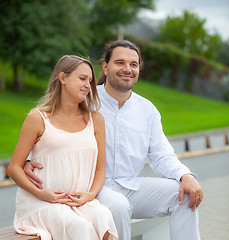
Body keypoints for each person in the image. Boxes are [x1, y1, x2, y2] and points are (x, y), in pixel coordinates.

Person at [24, 40, 203, 240]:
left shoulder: (147, 110)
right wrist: (28, 160)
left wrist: (184, 175)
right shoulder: (85, 100)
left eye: (133, 64)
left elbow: (161, 155)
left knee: (187, 193)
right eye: (120, 63)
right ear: (105, 67)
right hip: (93, 188)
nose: (127, 69)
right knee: (119, 206)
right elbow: (52, 130)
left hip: (132, 186)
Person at [8, 55, 118, 240]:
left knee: (104, 217)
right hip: (41, 202)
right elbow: (14, 168)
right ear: (63, 78)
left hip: (79, 201)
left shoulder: (96, 120)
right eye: (82, 78)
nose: (87, 85)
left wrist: (89, 195)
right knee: (78, 226)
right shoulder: (38, 118)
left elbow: (100, 169)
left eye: (90, 81)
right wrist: (41, 194)